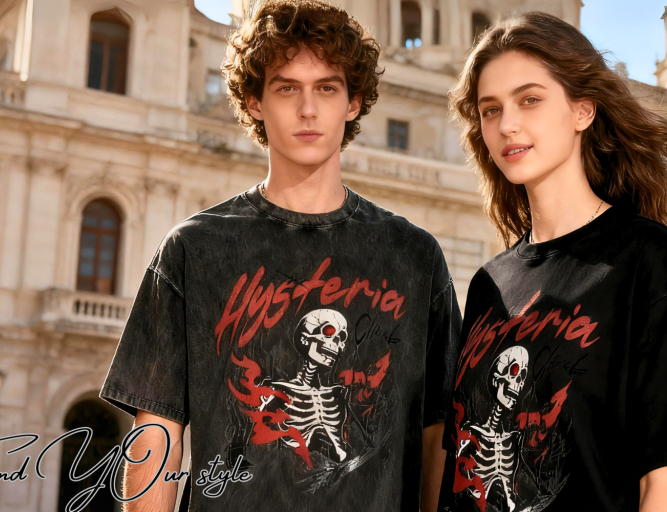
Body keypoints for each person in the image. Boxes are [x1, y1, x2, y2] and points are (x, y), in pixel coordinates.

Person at [99, 1, 460, 511]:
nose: (308, 110)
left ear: (353, 102)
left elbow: (440, 436)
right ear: (255, 101)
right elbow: (157, 437)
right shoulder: (193, 249)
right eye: (287, 88)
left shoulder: (415, 257)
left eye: (327, 89)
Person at [436, 11, 667, 512]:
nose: (507, 125)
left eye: (530, 100)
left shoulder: (643, 258)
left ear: (582, 110)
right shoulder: (490, 283)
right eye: (490, 110)